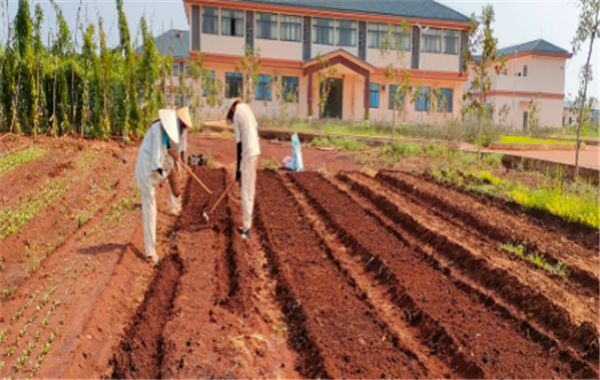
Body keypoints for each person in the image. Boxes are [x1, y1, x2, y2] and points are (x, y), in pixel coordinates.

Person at [134, 109, 179, 264]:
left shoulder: (161, 133)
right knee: (150, 211)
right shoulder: (157, 131)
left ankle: (150, 249)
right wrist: (164, 176)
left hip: (149, 173)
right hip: (146, 173)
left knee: (151, 210)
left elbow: (160, 155)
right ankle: (150, 252)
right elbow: (155, 163)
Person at [226, 98, 260, 240]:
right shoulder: (247, 108)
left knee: (245, 191)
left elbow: (239, 144)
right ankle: (247, 224)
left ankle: (247, 230)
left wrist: (238, 169)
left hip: (247, 153)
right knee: (250, 188)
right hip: (255, 151)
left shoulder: (237, 116)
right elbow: (257, 127)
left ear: (232, 108)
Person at [166, 106, 191, 216]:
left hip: (176, 154)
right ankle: (172, 208)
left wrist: (182, 159)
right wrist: (170, 153)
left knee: (179, 177)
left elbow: (183, 145)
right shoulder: (173, 126)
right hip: (169, 153)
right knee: (173, 179)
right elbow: (166, 142)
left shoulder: (183, 129)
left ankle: (179, 206)